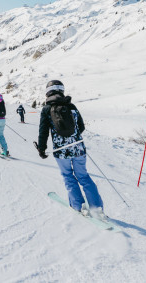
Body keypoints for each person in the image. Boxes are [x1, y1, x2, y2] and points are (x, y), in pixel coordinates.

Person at [36, 80, 107, 220]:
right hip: (78, 148)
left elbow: (43, 131)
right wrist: (72, 138)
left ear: (48, 92)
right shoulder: (72, 106)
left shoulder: (46, 109)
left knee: (68, 176)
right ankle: (97, 207)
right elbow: (81, 126)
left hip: (61, 151)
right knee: (83, 176)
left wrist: (42, 149)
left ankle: (78, 205)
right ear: (62, 90)